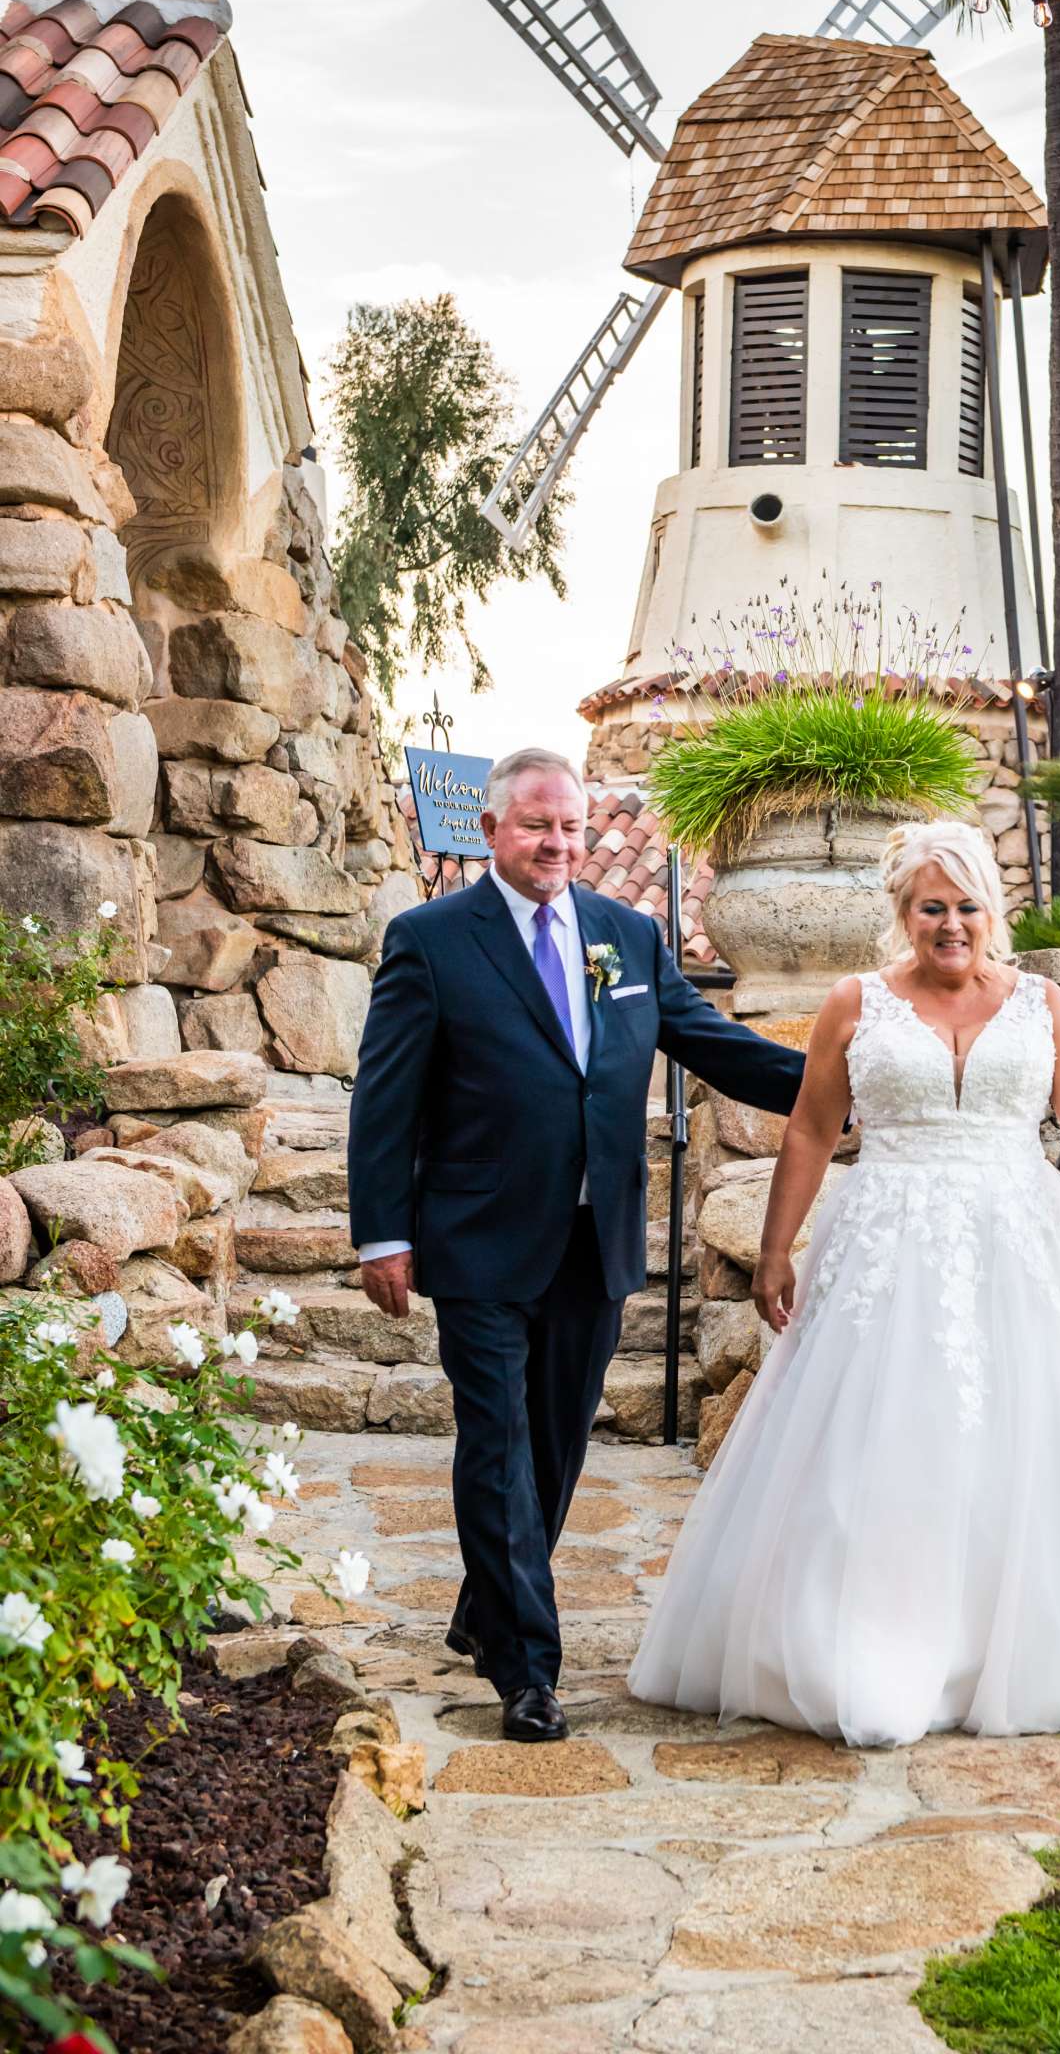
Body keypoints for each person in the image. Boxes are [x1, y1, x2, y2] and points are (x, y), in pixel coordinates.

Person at [629, 819, 1060, 1745]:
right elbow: (808, 1130)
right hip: (887, 1239)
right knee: (885, 1435)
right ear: (902, 913)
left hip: (1020, 1236)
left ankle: (1028, 1648)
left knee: (1026, 1433)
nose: (949, 925)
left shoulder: (1041, 1003)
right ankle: (867, 1646)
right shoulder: (855, 1002)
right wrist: (773, 1249)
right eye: (930, 907)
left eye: (966, 906)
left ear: (991, 911)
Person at [348, 747, 804, 1743]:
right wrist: (380, 1230)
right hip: (475, 1235)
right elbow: (384, 1098)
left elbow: (710, 1043)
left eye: (570, 828)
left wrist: (837, 1086)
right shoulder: (429, 941)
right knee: (499, 1442)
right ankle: (526, 1669)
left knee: (554, 1443)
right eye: (536, 827)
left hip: (595, 1235)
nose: (557, 845)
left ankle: (485, 1608)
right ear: (492, 831)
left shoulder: (626, 935)